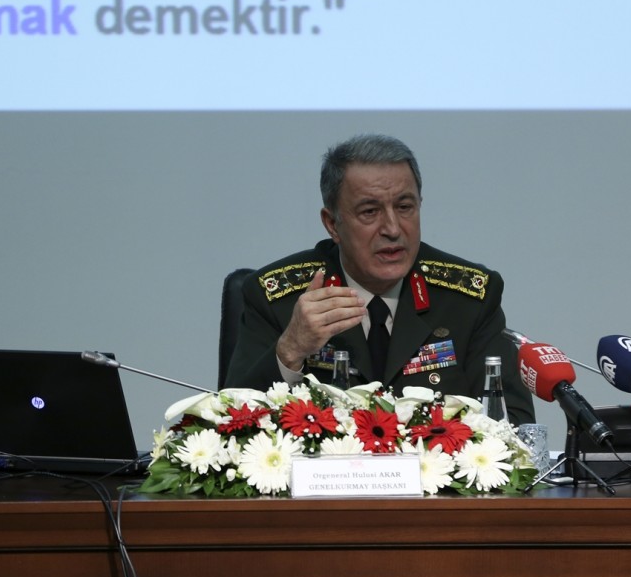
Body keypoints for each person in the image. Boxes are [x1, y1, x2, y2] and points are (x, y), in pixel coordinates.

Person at [225, 134, 535, 424]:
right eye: (370, 212)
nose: (392, 228)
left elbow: (515, 425)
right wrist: (291, 349)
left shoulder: (469, 299)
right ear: (332, 224)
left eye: (404, 207)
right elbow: (231, 421)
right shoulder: (279, 298)